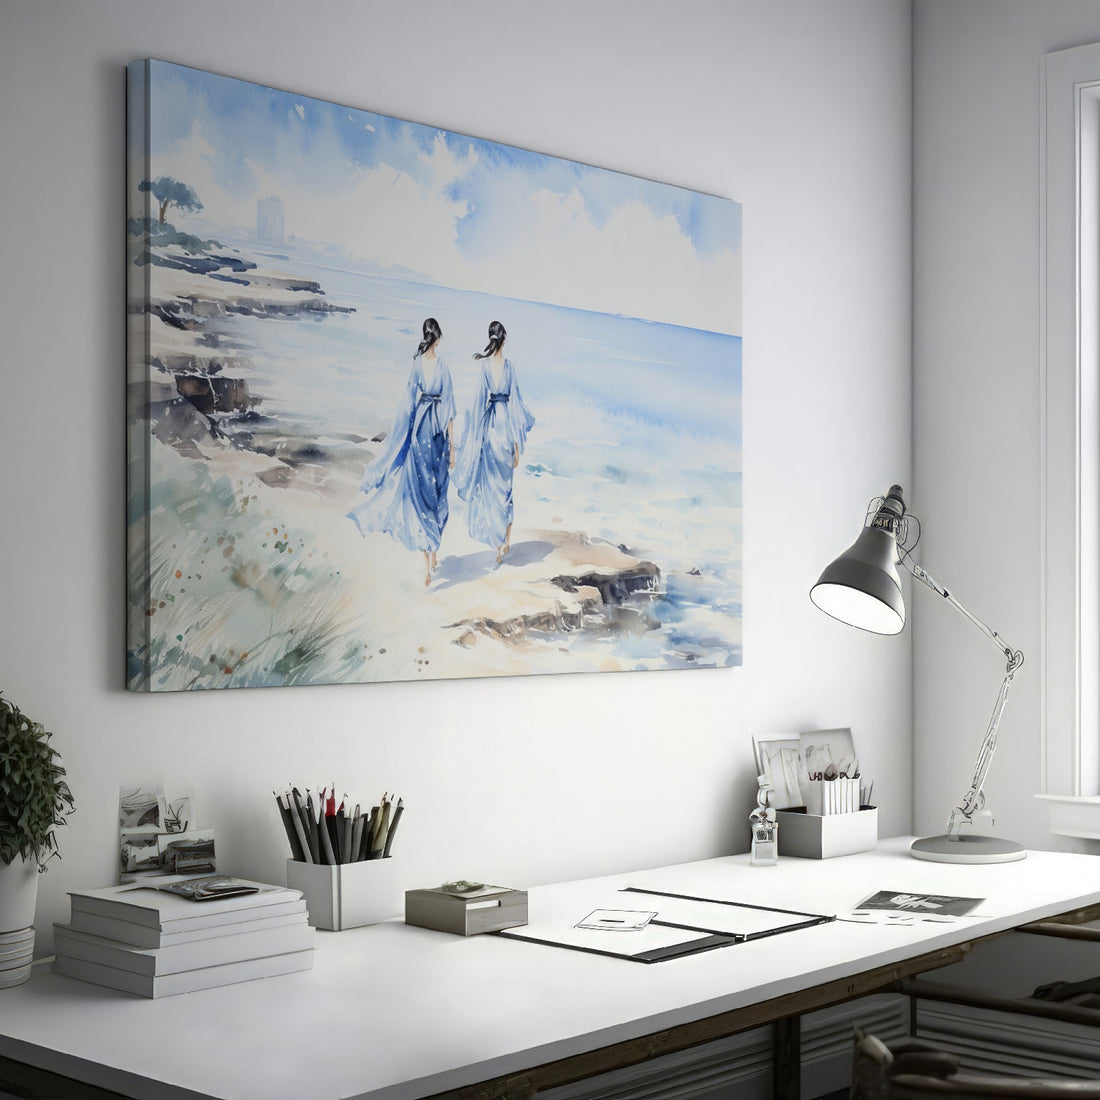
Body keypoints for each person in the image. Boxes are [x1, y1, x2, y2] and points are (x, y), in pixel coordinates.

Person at [348, 318, 455, 586]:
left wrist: (402, 438)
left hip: (422, 429)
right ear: (438, 337)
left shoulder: (419, 364)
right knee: (430, 495)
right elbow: (449, 410)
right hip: (433, 432)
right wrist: (452, 447)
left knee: (424, 494)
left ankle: (429, 558)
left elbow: (408, 405)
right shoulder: (440, 366)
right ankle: (431, 556)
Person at [454, 321, 534, 562]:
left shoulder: (486, 367)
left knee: (491, 489)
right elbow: (517, 407)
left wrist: (472, 437)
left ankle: (497, 548)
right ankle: (506, 542)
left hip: (490, 429)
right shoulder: (509, 367)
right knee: (506, 490)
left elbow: (477, 405)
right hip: (506, 429)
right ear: (504, 339)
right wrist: (518, 446)